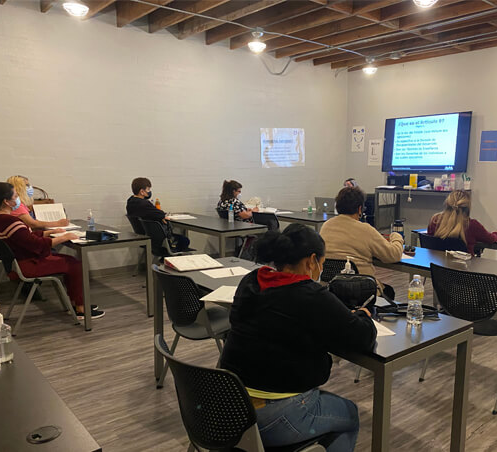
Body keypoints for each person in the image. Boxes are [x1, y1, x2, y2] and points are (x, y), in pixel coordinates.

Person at [220, 224, 376, 451]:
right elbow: (362, 338)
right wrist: (363, 315)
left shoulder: (251, 281)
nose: (320, 269)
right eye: (322, 263)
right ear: (311, 261)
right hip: (272, 415)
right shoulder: (311, 296)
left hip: (229, 403)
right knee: (350, 415)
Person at [0, 182, 105, 319]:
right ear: (6, 201)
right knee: (75, 265)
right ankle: (80, 309)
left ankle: (76, 304)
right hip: (27, 265)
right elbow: (36, 244)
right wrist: (64, 237)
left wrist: (48, 232)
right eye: (15, 196)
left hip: (15, 265)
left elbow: (24, 237)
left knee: (71, 262)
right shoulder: (10, 221)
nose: (18, 198)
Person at [320, 187, 403, 299]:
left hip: (331, 290)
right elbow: (393, 255)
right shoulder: (365, 229)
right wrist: (397, 237)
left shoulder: (326, 226)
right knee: (388, 291)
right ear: (360, 209)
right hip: (360, 292)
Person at [126, 177, 190, 251]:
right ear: (142, 191)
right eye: (148, 189)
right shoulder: (144, 204)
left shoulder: (130, 202)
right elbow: (160, 213)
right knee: (184, 240)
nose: (149, 191)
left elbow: (154, 213)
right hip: (157, 240)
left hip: (143, 236)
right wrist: (162, 216)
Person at [427, 190, 497, 255]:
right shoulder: (472, 225)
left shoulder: (435, 220)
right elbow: (490, 239)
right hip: (464, 266)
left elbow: (430, 242)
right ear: (467, 208)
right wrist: (496, 233)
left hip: (438, 265)